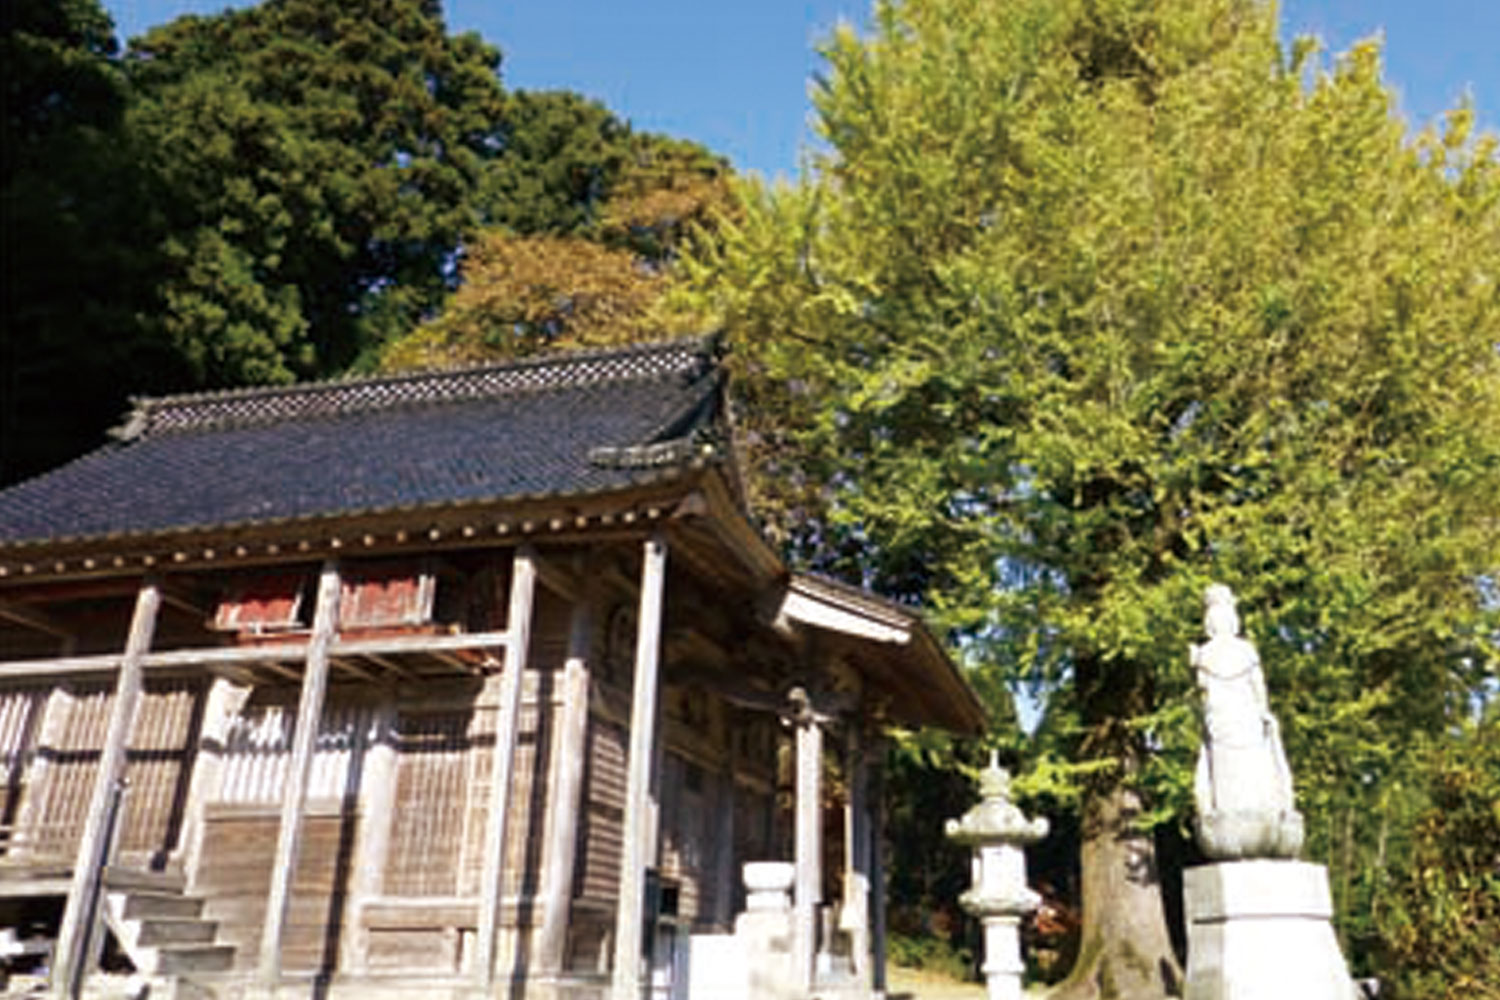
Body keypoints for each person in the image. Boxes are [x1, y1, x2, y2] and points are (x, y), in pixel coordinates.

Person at [1190, 584, 1303, 858]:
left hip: (1224, 722)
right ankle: (1256, 812)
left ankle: (1248, 814)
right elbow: (1257, 687)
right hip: (1242, 721)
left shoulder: (1205, 655)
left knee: (1236, 773)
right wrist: (1263, 712)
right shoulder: (1245, 651)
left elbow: (1204, 694)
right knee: (1250, 770)